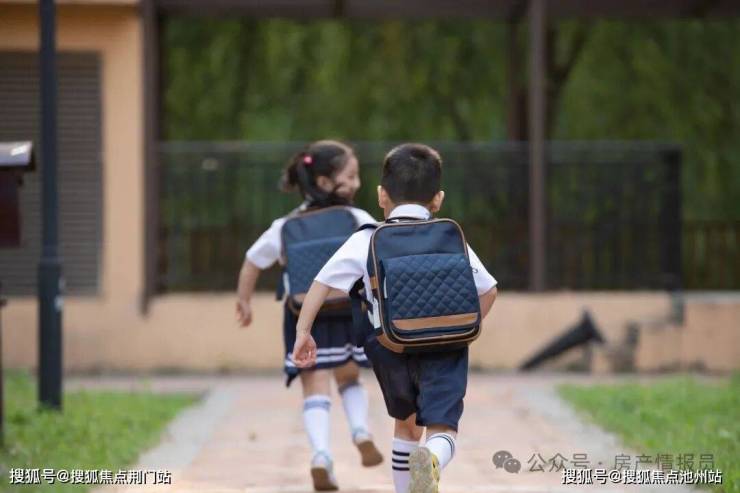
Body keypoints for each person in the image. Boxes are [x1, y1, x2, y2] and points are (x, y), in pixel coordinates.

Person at [292, 143, 498, 493]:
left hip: (390, 348)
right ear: (438, 200)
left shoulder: (368, 238)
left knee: (405, 426)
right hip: (446, 349)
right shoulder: (449, 236)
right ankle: (432, 458)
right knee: (443, 428)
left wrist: (303, 331)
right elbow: (488, 290)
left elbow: (322, 282)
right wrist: (462, 327)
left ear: (381, 195)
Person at [236, 140, 383, 491]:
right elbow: (383, 251)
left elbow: (252, 261)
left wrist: (244, 300)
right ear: (324, 181)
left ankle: (320, 455)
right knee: (349, 377)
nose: (357, 183)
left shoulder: (285, 225)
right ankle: (360, 430)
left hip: (306, 320)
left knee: (314, 386)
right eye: (351, 176)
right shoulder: (356, 219)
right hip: (349, 313)